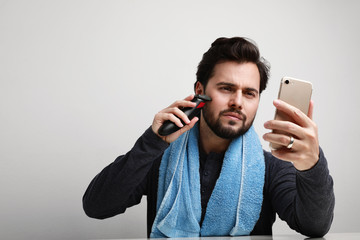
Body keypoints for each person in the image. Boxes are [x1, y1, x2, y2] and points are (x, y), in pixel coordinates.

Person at [82, 37, 334, 238]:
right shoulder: (160, 156)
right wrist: (152, 141)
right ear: (200, 91)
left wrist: (311, 165)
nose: (237, 102)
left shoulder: (272, 167)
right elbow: (96, 206)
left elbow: (314, 227)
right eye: (227, 88)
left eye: (249, 93)